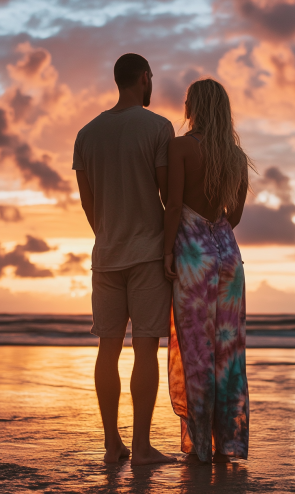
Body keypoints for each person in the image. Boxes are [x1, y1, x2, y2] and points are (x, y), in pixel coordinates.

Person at [73, 53, 176, 465]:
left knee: (107, 349)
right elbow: (168, 196)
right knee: (145, 350)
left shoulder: (86, 133)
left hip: (107, 253)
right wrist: (169, 249)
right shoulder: (158, 127)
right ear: (144, 78)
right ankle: (144, 447)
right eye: (152, 78)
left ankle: (112, 443)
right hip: (149, 253)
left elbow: (87, 202)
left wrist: (107, 235)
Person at [164, 78, 253, 463]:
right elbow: (233, 216)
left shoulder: (181, 147)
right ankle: (226, 444)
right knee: (227, 353)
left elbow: (173, 205)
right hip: (228, 257)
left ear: (193, 107)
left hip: (193, 256)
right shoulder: (235, 156)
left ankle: (200, 447)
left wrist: (167, 250)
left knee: (196, 350)